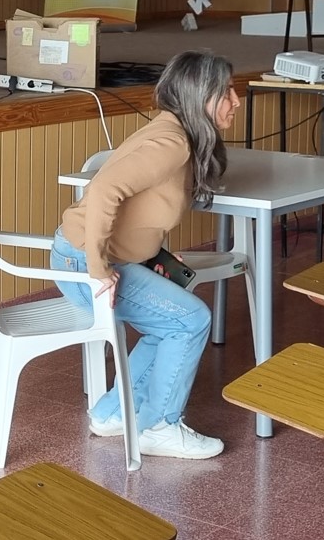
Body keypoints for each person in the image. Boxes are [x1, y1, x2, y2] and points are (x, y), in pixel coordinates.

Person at [48, 49, 240, 460]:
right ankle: (159, 426)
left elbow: (137, 214)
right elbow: (104, 190)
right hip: (83, 262)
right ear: (200, 96)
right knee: (190, 320)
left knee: (168, 323)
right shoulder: (173, 143)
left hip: (88, 256)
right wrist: (99, 270)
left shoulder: (174, 131)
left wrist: (156, 258)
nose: (236, 101)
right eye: (226, 92)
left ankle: (112, 414)